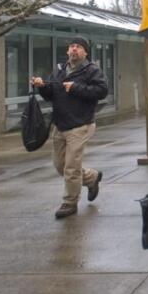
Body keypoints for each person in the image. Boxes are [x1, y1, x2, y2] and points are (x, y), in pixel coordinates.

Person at [31, 36, 109, 220]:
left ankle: (69, 202)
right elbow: (51, 94)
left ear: (85, 52)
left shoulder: (92, 70)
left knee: (71, 167)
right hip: (60, 124)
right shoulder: (59, 71)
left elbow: (102, 91)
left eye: (78, 47)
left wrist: (75, 87)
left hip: (81, 124)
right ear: (67, 51)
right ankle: (91, 178)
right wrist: (42, 86)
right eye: (72, 46)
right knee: (60, 166)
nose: (74, 49)